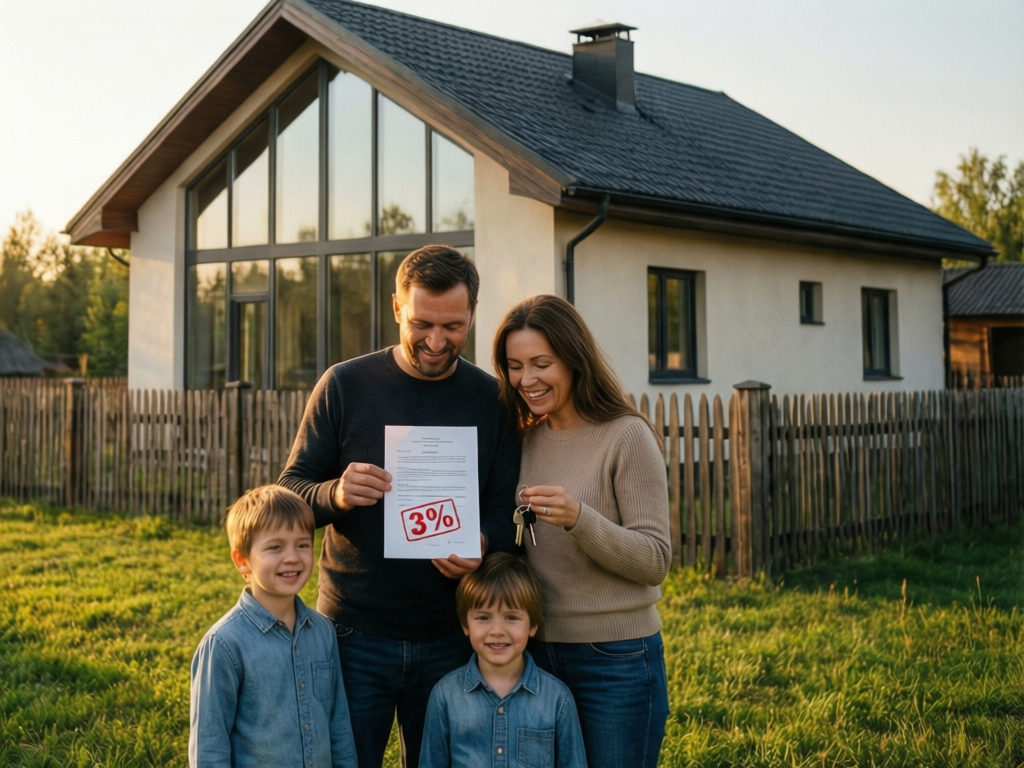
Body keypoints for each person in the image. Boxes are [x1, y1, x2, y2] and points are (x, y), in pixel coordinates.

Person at [278, 245, 521, 768]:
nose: (436, 341)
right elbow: (289, 491)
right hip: (353, 629)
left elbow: (508, 512)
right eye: (421, 324)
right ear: (396, 308)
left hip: (451, 630)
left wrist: (483, 541)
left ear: (473, 313)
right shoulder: (345, 385)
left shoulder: (492, 399)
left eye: (453, 326)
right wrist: (335, 494)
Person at [492, 294, 672, 768]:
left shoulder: (626, 435)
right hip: (535, 654)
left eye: (541, 364)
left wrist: (579, 518)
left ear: (574, 359)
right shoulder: (525, 437)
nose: (526, 380)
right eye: (515, 366)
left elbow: (655, 560)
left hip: (615, 658)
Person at [189, 485, 356, 768]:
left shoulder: (323, 631)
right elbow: (209, 746)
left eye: (302, 545)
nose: (292, 557)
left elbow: (338, 723)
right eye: (275, 547)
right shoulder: (224, 644)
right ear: (243, 562)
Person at [419, 552, 587, 768]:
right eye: (483, 617)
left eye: (511, 617)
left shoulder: (557, 698)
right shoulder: (445, 695)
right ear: (466, 625)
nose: (497, 631)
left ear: (533, 625)